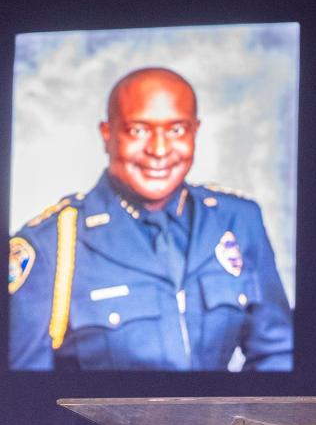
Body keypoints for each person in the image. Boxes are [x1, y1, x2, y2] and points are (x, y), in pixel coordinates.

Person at [7, 67, 292, 371]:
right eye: (138, 130)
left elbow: (276, 354)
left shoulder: (237, 220)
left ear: (196, 130)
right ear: (107, 134)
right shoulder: (51, 245)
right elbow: (25, 395)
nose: (159, 150)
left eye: (177, 130)